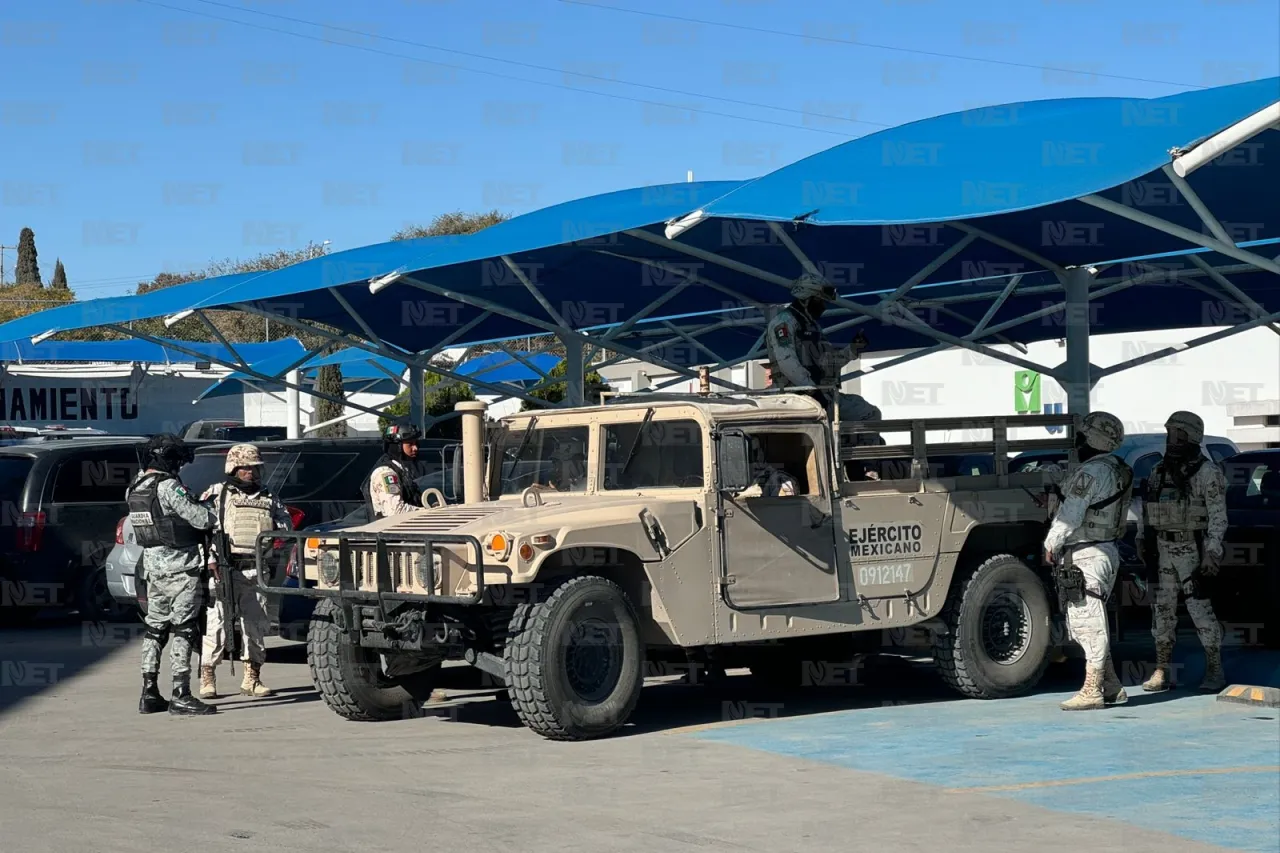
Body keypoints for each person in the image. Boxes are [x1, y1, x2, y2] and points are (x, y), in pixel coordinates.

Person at [1042, 411, 1133, 711]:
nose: (1077, 442)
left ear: (1093, 438)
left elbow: (1072, 513)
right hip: (1103, 549)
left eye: (1082, 436)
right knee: (1092, 618)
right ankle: (1112, 686)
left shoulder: (1091, 472)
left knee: (1087, 620)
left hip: (1088, 552)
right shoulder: (1117, 468)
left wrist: (1051, 543)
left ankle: (1092, 690)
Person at [1136, 411, 1228, 693]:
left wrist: (1212, 552)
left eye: (1179, 435)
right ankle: (1162, 669)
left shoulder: (1207, 473)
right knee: (1161, 612)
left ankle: (1215, 667)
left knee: (1200, 610)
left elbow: (1218, 516)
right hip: (1162, 549)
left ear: (1193, 438)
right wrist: (1142, 538)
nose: (1172, 441)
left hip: (1192, 549)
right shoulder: (1158, 471)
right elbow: (1147, 509)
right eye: (1169, 435)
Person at [127, 433, 218, 716]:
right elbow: (202, 519)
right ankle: (181, 693)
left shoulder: (134, 487)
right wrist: (209, 506)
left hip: (153, 568)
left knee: (155, 630)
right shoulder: (167, 487)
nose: (179, 466)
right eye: (177, 460)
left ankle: (149, 691)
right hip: (181, 567)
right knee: (184, 628)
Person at [197, 444, 294, 701]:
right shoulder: (218, 494)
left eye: (255, 468)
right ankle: (208, 676)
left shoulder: (268, 496)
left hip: (256, 569)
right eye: (246, 468)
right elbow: (203, 532)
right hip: (225, 570)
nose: (252, 472)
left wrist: (274, 538)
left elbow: (285, 525)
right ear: (234, 468)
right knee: (217, 626)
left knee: (255, 626)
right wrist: (210, 561)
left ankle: (252, 677)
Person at [764, 273, 879, 424]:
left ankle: (845, 446)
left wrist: (852, 349)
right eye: (820, 301)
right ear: (807, 299)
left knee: (870, 413)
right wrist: (812, 391)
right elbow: (788, 363)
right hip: (793, 396)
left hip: (821, 394)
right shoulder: (783, 323)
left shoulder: (814, 327)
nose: (824, 307)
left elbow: (827, 363)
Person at [365, 423, 424, 520]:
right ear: (397, 446)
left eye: (416, 443)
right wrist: (427, 512)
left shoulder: (401, 469)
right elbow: (396, 511)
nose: (415, 448)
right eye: (410, 444)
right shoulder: (386, 473)